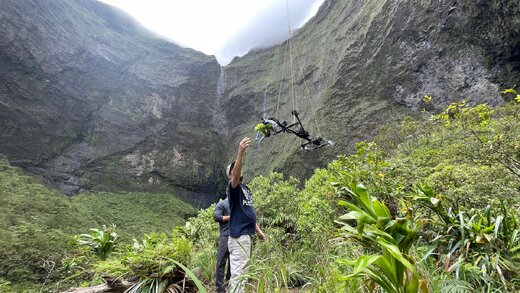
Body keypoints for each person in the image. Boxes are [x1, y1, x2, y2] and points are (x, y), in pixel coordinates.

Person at [226, 137, 265, 293]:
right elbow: (236, 175)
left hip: (246, 236)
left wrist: (259, 232)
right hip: (239, 237)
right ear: (230, 175)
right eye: (235, 169)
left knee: (242, 273)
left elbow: (248, 213)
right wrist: (240, 152)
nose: (238, 169)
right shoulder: (233, 187)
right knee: (238, 275)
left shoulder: (245, 189)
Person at [214, 197, 231, 293]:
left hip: (236, 236)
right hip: (225, 236)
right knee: (221, 262)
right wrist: (231, 217)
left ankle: (229, 285)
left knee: (232, 263)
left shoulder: (237, 204)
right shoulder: (222, 204)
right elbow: (216, 217)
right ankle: (220, 288)